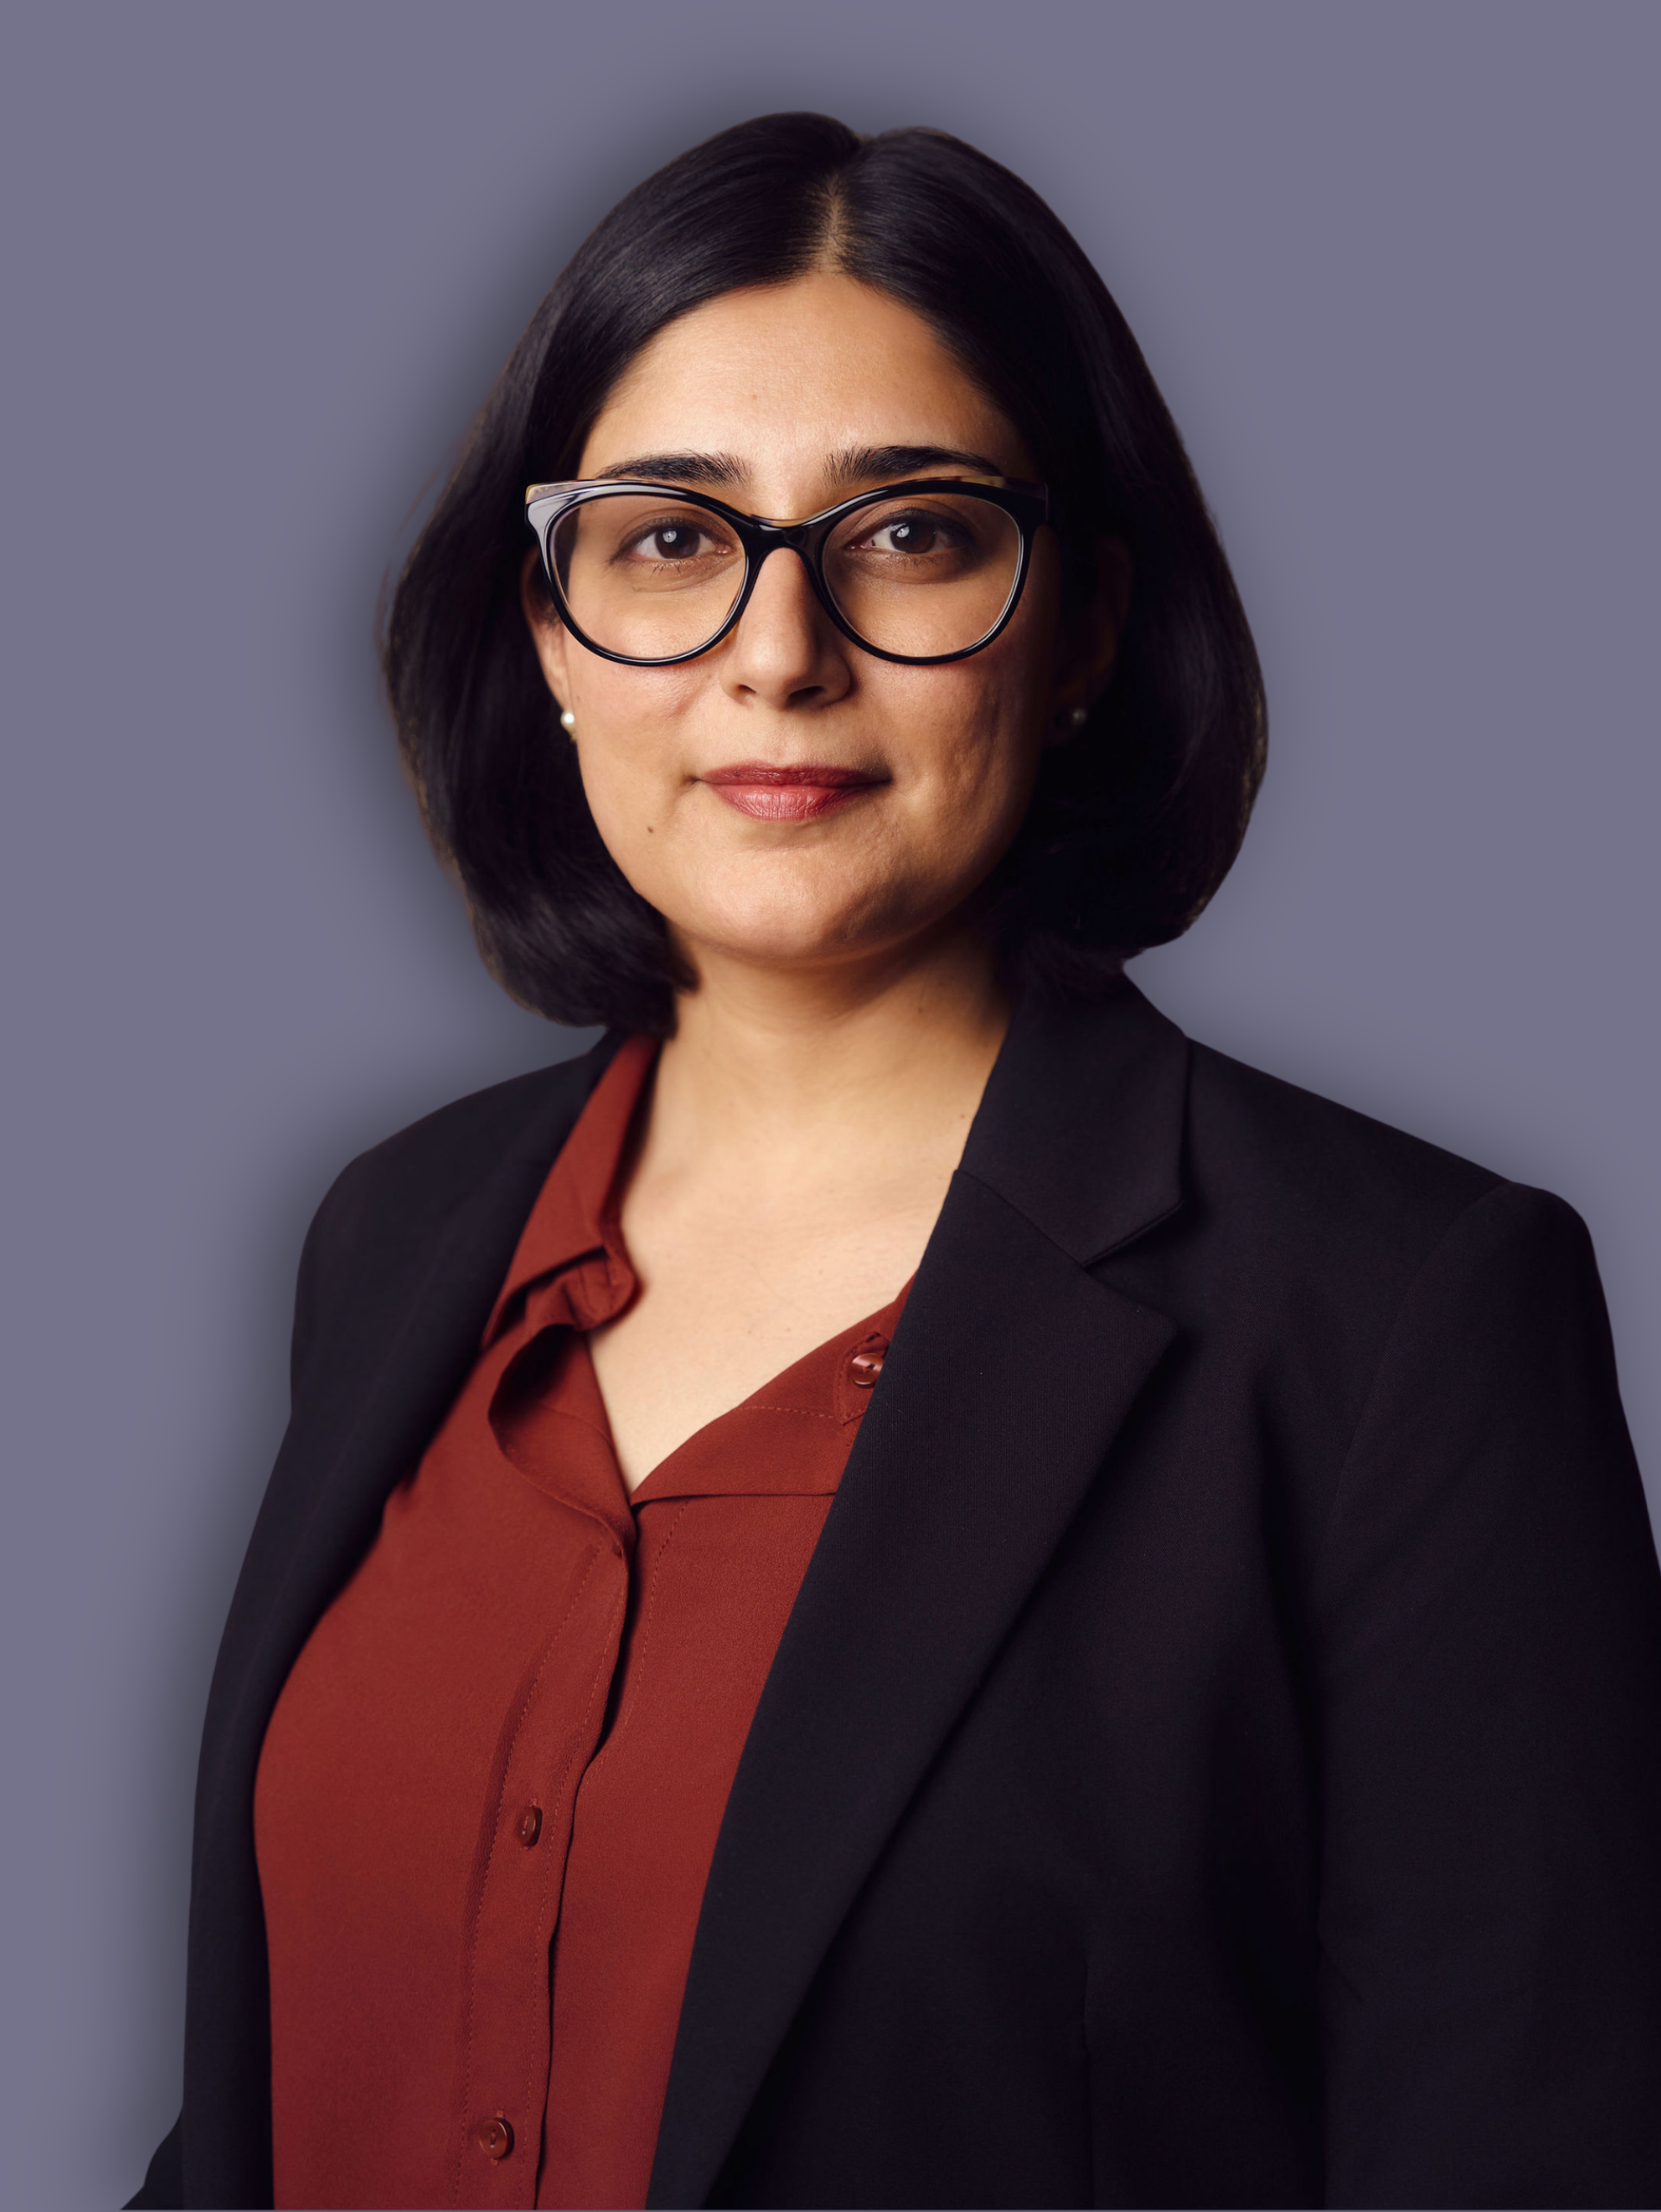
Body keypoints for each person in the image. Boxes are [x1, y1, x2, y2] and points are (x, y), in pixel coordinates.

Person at [130, 113, 1661, 2211]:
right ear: (553, 635)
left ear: (1085, 625)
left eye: (912, 532)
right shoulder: (396, 1236)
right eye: (668, 537)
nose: (778, 649)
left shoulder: (1398, 1317)